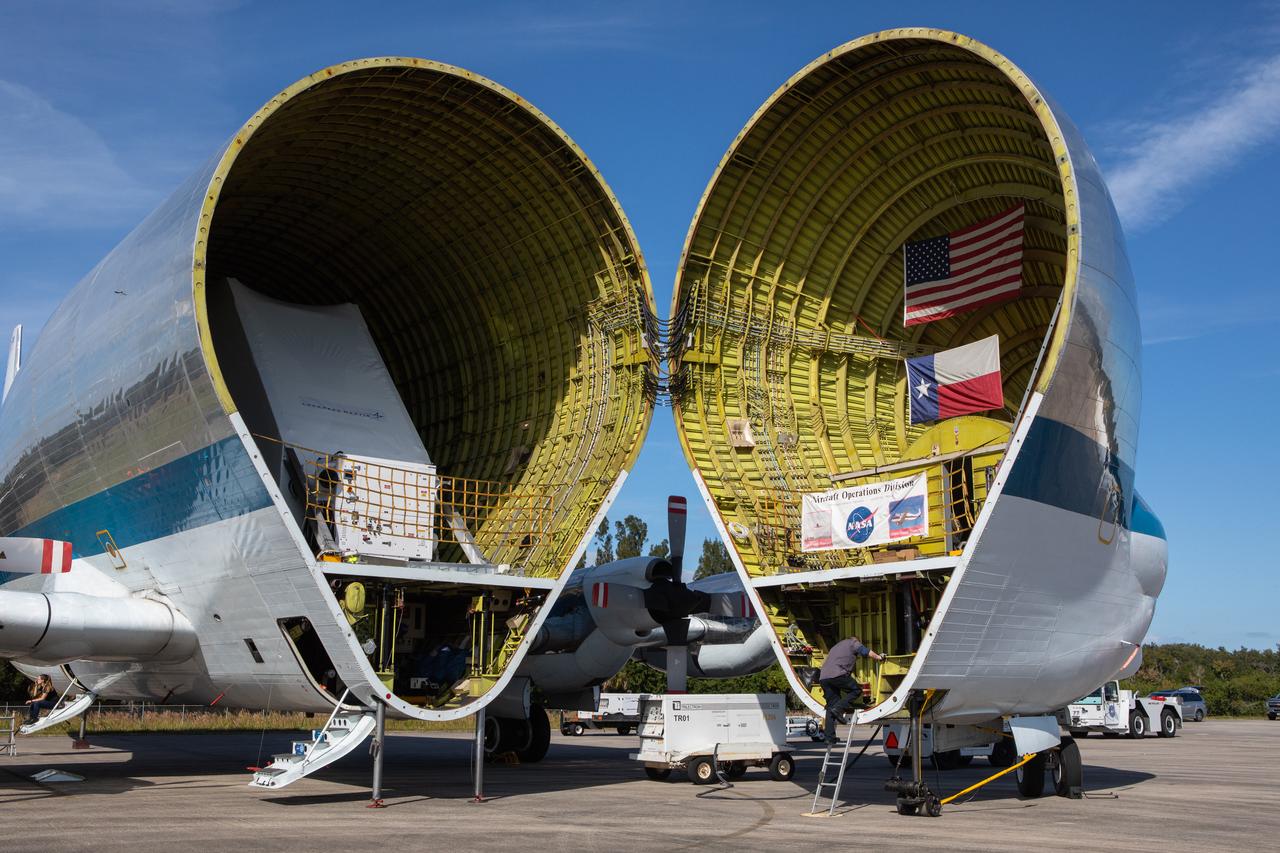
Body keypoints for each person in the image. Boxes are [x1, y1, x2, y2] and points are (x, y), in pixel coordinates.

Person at [818, 636, 884, 745]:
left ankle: (829, 737)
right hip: (837, 674)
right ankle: (838, 708)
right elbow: (865, 651)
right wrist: (879, 657)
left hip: (824, 678)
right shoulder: (853, 642)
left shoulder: (835, 647)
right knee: (856, 690)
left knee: (830, 705)